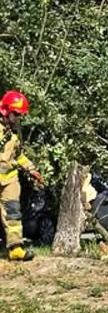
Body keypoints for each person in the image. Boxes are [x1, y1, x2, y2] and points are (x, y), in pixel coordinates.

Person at [0, 91, 43, 261]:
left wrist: (31, 169)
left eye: (20, 115)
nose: (18, 118)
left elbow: (18, 156)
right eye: (16, 114)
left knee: (13, 214)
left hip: (10, 181)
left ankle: (16, 249)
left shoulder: (14, 134)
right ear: (6, 110)